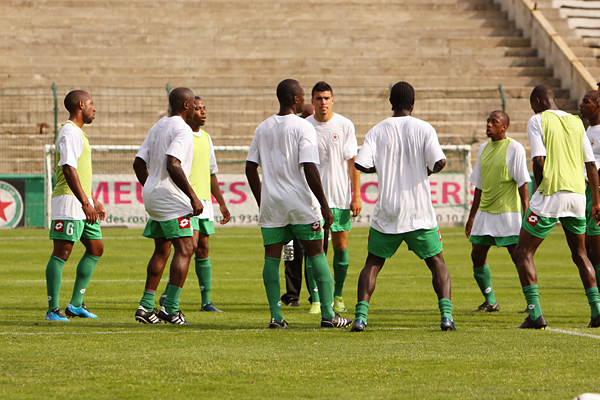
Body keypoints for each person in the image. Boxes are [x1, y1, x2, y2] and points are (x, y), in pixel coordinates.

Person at [245, 78, 352, 329]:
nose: (305, 101)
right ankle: (328, 315)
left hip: (273, 206)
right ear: (295, 100)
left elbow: (250, 167)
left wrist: (262, 200)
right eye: (303, 96)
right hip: (301, 204)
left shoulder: (262, 128)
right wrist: (324, 205)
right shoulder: (304, 127)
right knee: (317, 254)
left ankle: (275, 317)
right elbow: (310, 167)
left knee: (271, 258)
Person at [350, 81, 456, 332]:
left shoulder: (377, 130)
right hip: (418, 210)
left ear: (390, 103)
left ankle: (360, 318)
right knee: (437, 261)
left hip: (388, 210)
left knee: (373, 263)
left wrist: (384, 167)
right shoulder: (424, 128)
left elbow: (361, 165)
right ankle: (446, 317)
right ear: (413, 103)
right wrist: (424, 170)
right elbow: (440, 161)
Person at [512, 85, 600, 329]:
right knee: (581, 255)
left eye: (533, 105)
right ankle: (597, 311)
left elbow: (539, 160)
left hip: (551, 194)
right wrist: (597, 201)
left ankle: (535, 314)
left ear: (539, 102)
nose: (533, 109)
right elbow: (591, 165)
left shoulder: (537, 120)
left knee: (522, 252)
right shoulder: (575, 122)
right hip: (578, 196)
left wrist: (540, 189)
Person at [133, 87, 203, 325]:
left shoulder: (158, 126)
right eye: (194, 104)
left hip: (153, 196)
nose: (196, 108)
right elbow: (173, 164)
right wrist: (193, 196)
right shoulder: (182, 129)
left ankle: (145, 306)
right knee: (186, 249)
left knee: (161, 251)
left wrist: (151, 185)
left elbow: (138, 163)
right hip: (172, 198)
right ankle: (170, 309)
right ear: (186, 106)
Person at [159, 96, 231, 312]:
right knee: (188, 248)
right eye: (198, 109)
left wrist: (222, 203)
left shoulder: (206, 138)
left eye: (204, 109)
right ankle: (170, 296)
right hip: (187, 202)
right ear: (188, 110)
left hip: (205, 202)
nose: (203, 113)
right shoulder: (181, 135)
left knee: (203, 249)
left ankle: (206, 301)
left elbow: (211, 174)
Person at [45, 90, 105, 321]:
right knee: (62, 253)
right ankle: (53, 309)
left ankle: (76, 305)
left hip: (82, 201)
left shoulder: (78, 132)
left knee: (96, 248)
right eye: (92, 104)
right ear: (81, 105)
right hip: (69, 202)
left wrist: (93, 201)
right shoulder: (69, 132)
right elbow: (69, 169)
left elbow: (79, 172)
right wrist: (84, 202)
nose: (94, 108)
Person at [302, 81, 362, 315]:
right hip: (313, 200)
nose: (323, 102)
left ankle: (338, 296)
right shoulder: (304, 126)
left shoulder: (345, 125)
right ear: (312, 101)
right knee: (315, 249)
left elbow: (353, 164)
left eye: (327, 98)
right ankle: (316, 299)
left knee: (341, 248)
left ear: (332, 100)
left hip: (339, 198)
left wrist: (356, 196)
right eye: (319, 98)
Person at [465, 110, 530, 312]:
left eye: (494, 122)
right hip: (485, 213)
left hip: (508, 213)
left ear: (504, 127)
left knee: (519, 256)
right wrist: (472, 216)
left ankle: (532, 303)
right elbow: (479, 186)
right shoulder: (483, 149)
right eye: (488, 121)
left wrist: (527, 216)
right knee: (476, 255)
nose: (489, 125)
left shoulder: (515, 148)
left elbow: (523, 185)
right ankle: (490, 301)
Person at [281, 102, 315, 308]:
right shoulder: (295, 134)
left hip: (310, 202)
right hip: (290, 202)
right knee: (291, 250)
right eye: (307, 115)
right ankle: (292, 295)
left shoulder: (312, 135)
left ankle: (315, 297)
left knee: (313, 251)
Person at [579, 90, 600, 283]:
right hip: (585, 191)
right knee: (587, 248)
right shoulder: (587, 131)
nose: (581, 105)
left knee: (594, 248)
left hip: (596, 192)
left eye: (586, 102)